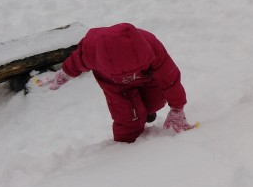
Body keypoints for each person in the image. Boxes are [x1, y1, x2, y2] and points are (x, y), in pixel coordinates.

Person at [38, 23, 196, 143]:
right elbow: (76, 61)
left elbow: (170, 77)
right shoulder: (91, 49)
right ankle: (125, 152)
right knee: (128, 119)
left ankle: (145, 111)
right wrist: (64, 74)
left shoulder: (152, 47)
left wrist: (177, 108)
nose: (129, 76)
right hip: (115, 85)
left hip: (147, 78)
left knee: (154, 102)